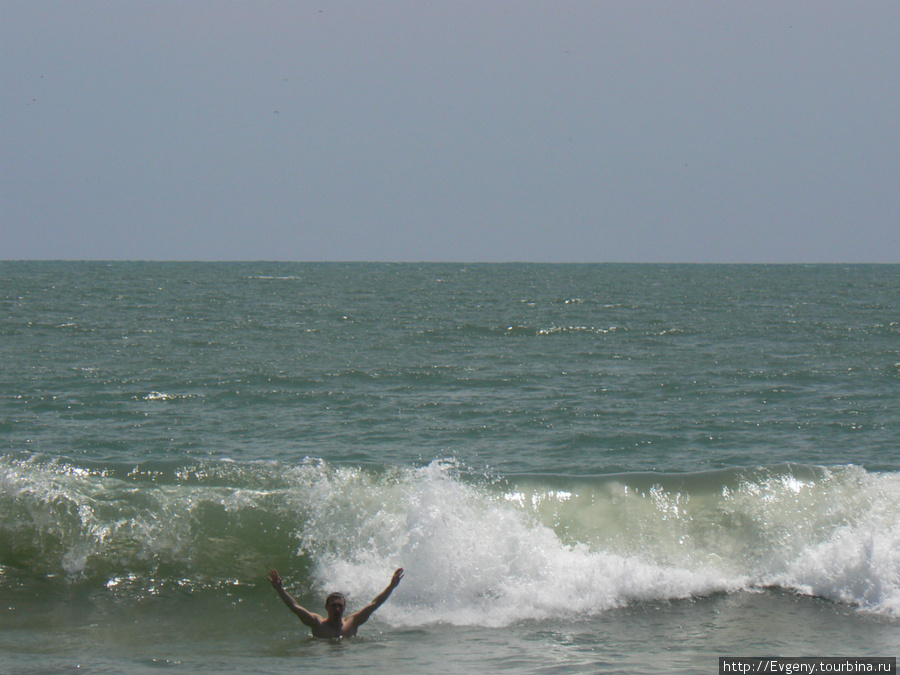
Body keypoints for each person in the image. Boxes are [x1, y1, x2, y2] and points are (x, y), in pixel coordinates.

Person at [267, 567, 404, 639]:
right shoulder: (318, 623)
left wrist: (391, 586)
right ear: (326, 607)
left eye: (340, 606)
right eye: (333, 606)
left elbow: (375, 604)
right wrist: (280, 589)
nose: (337, 609)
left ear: (345, 608)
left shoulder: (352, 622)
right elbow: (295, 607)